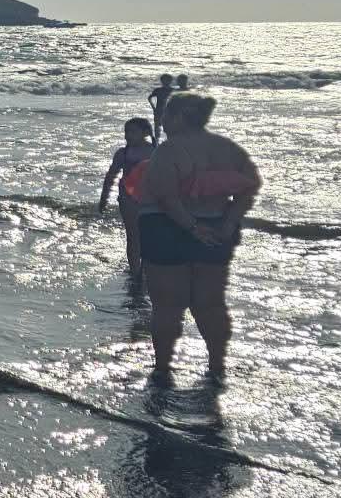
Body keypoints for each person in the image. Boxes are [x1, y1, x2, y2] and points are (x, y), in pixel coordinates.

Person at [137, 93, 260, 378]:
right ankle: (216, 365)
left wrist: (191, 226)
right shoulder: (228, 148)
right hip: (217, 226)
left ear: (179, 117)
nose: (162, 120)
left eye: (166, 114)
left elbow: (166, 197)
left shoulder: (169, 150)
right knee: (210, 303)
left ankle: (163, 368)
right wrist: (229, 223)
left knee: (167, 305)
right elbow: (250, 186)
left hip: (167, 228)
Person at [100, 117, 157, 275]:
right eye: (126, 132)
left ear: (145, 133)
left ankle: (146, 268)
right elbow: (111, 176)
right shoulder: (123, 153)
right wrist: (104, 198)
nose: (127, 135)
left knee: (149, 237)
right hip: (128, 200)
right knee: (133, 236)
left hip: (151, 200)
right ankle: (135, 270)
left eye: (132, 132)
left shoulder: (155, 151)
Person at [148, 74, 175, 142]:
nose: (166, 82)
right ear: (162, 81)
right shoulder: (158, 90)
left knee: (168, 129)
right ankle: (157, 143)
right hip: (159, 111)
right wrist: (153, 108)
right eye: (164, 80)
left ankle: (169, 143)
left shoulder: (172, 90)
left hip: (167, 112)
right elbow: (149, 98)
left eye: (168, 80)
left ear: (170, 81)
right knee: (157, 128)